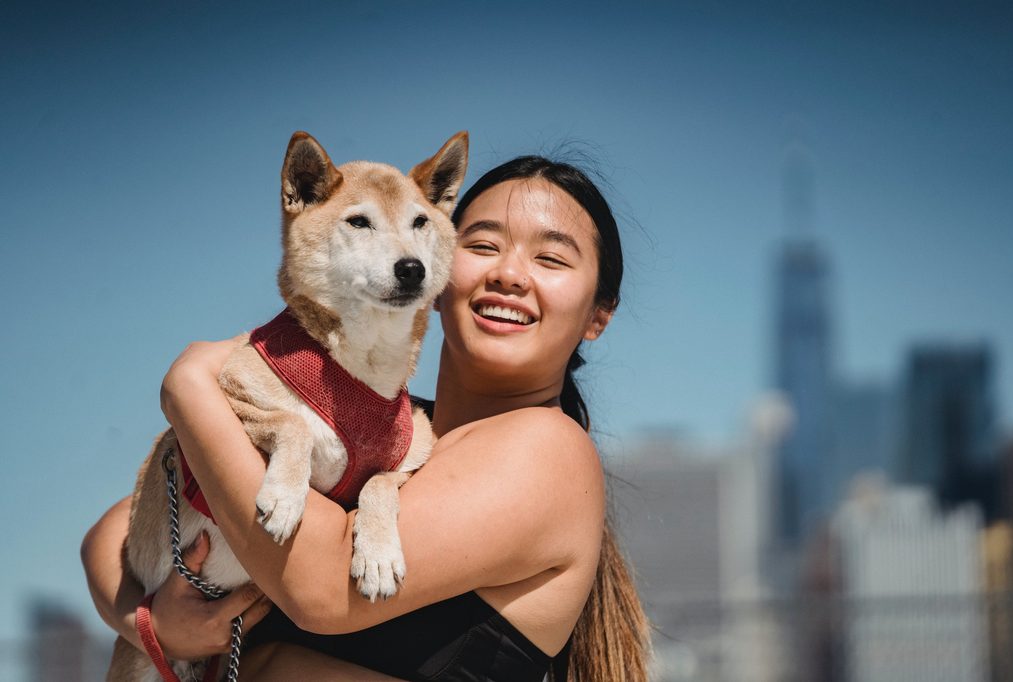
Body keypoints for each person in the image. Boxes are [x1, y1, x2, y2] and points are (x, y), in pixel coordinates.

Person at [82, 155, 651, 681]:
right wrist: (149, 624)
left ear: (598, 315)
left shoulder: (546, 449)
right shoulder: (389, 430)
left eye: (550, 258)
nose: (510, 274)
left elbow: (323, 588)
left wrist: (189, 388)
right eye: (482, 245)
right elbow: (114, 532)